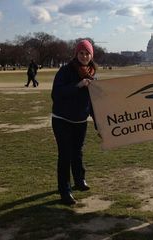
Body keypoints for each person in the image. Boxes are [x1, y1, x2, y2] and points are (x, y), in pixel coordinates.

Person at [51, 40, 97, 205]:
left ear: (91, 55)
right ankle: (65, 190)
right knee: (65, 155)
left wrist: (99, 123)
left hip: (80, 120)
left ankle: (79, 180)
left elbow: (93, 102)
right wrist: (77, 85)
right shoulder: (65, 71)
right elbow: (56, 94)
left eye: (87, 53)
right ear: (76, 54)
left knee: (77, 152)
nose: (84, 56)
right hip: (62, 119)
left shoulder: (92, 73)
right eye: (81, 53)